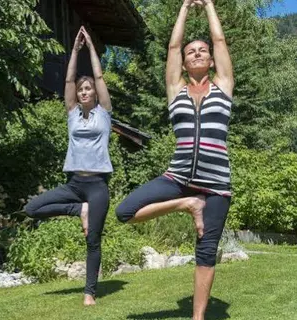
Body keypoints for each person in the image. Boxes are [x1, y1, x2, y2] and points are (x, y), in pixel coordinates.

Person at [115, 0, 234, 319]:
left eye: (203, 50)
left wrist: (208, 5)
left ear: (211, 60)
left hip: (216, 187)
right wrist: (184, 6)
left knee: (206, 251)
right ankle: (187, 205)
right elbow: (172, 45)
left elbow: (220, 40)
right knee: (125, 211)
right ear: (182, 63)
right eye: (191, 51)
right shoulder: (175, 89)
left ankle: (197, 318)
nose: (196, 52)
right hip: (177, 179)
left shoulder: (223, 87)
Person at [24, 25, 113, 306]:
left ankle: (89, 292)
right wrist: (74, 51)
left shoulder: (105, 114)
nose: (85, 91)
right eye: (82, 90)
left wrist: (91, 51)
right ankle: (79, 210)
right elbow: (68, 81)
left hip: (98, 185)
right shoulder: (73, 114)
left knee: (93, 241)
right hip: (74, 185)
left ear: (96, 94)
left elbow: (98, 75)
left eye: (89, 89)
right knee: (31, 208)